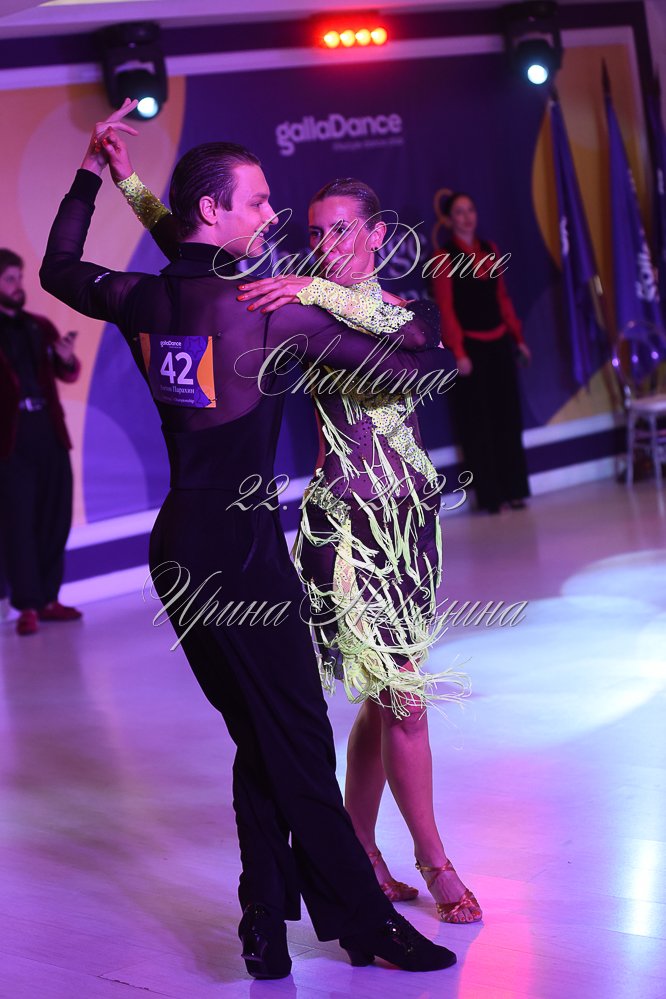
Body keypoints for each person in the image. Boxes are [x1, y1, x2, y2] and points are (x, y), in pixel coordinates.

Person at [40, 101, 457, 979]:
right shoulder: (269, 311)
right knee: (297, 739)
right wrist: (330, 298)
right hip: (244, 553)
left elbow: (63, 267)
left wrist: (97, 173)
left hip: (176, 550)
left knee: (261, 737)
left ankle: (264, 924)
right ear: (214, 210)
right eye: (260, 201)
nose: (274, 216)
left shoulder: (147, 297)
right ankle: (365, 923)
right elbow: (416, 365)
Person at [0, 249, 82, 635]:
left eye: (19, 277)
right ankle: (27, 606)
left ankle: (49, 599)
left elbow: (67, 373)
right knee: (18, 522)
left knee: (55, 515)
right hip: (9, 439)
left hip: (48, 430)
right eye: (10, 279)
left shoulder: (40, 326)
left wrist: (65, 358)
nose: (19, 286)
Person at [432, 192, 531, 514]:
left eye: (470, 210)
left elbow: (502, 298)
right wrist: (459, 351)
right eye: (459, 212)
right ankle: (491, 496)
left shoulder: (490, 250)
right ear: (450, 220)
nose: (466, 217)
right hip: (471, 349)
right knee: (479, 423)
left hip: (499, 342)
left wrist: (518, 338)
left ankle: (515, 490)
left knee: (508, 418)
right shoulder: (444, 258)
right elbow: (446, 310)